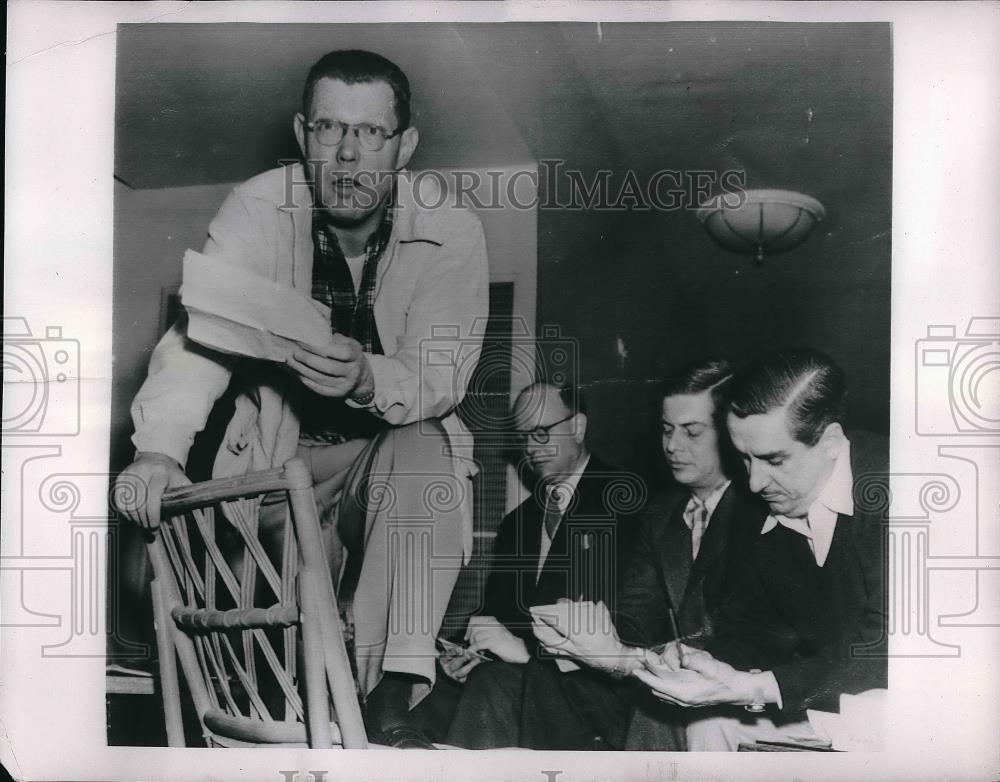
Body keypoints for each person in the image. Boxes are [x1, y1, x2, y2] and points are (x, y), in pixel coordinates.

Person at [115, 49, 489, 747]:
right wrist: (160, 450)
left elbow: (442, 373)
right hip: (278, 465)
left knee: (422, 445)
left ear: (405, 144)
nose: (347, 156)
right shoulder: (259, 207)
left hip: (385, 466)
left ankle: (393, 699)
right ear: (300, 133)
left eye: (370, 134)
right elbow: (202, 335)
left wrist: (367, 378)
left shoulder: (453, 230)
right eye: (328, 129)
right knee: (272, 668)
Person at [632, 348, 888, 751]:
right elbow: (758, 627)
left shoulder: (900, 491)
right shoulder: (759, 505)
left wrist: (753, 687)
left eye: (773, 459)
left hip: (913, 701)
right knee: (709, 724)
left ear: (832, 442)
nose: (754, 483)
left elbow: (887, 649)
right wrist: (707, 665)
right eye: (745, 459)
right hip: (828, 698)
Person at [532, 358, 767, 750]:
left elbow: (741, 636)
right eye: (666, 429)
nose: (672, 445)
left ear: (730, 433)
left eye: (692, 432)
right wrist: (588, 634)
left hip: (733, 684)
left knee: (656, 709)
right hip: (662, 671)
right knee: (551, 676)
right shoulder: (661, 514)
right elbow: (635, 612)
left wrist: (631, 657)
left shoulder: (759, 511)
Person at [442, 382, 640, 749]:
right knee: (429, 696)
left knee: (490, 686)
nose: (530, 448)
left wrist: (528, 651)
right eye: (523, 437)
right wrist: (467, 649)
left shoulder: (626, 501)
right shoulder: (519, 522)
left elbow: (629, 625)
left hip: (599, 689)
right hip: (526, 681)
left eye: (540, 432)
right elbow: (498, 613)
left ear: (578, 426)